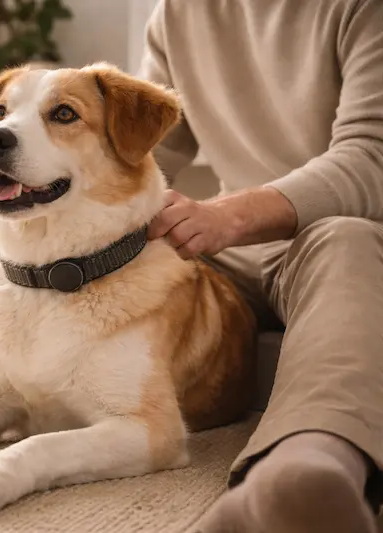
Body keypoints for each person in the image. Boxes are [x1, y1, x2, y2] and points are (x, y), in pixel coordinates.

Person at [138, 0, 383, 531]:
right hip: (230, 249)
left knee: (346, 237)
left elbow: (372, 157)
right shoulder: (177, 14)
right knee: (125, 248)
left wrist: (230, 216)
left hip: (339, 236)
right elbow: (143, 155)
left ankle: (310, 470)